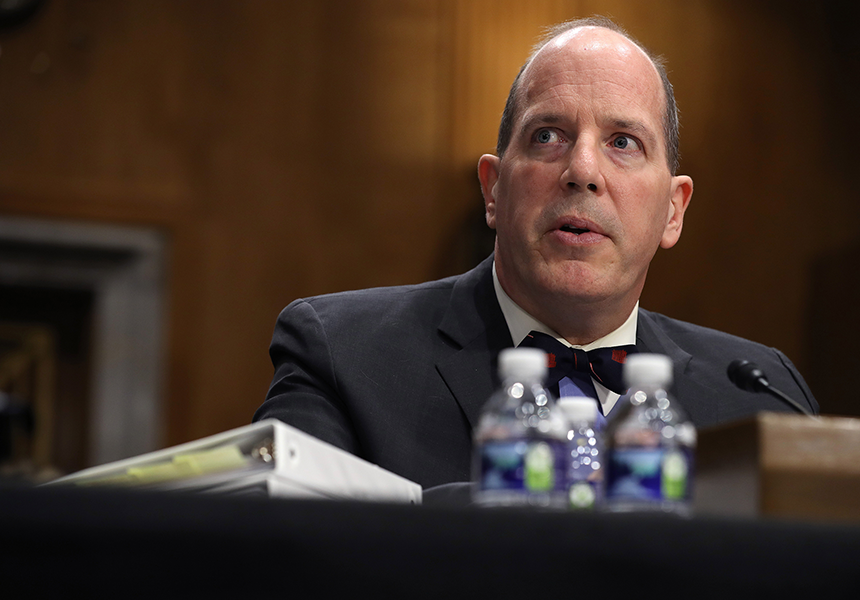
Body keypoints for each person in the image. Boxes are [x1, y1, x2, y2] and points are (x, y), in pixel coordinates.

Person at [253, 16, 818, 490]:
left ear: (673, 210)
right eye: (548, 135)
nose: (583, 172)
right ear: (493, 189)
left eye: (624, 142)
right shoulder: (343, 356)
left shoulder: (761, 398)